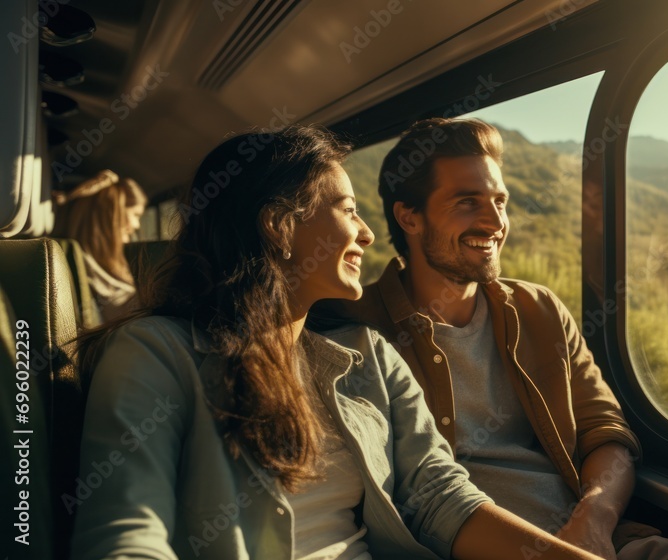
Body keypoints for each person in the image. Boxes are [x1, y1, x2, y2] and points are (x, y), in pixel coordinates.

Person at [70, 125, 603, 560]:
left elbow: (440, 496)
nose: (368, 234)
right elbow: (127, 540)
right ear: (279, 226)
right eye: (348, 211)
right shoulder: (156, 354)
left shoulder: (368, 356)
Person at [309, 118, 668, 560]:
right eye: (468, 202)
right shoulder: (350, 326)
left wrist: (592, 523)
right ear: (409, 216)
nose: (494, 222)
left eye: (500, 201)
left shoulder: (538, 309)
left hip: (601, 542)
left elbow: (606, 432)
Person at [53, 169, 147, 321]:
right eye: (135, 214)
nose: (136, 225)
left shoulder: (91, 263)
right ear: (110, 215)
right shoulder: (84, 266)